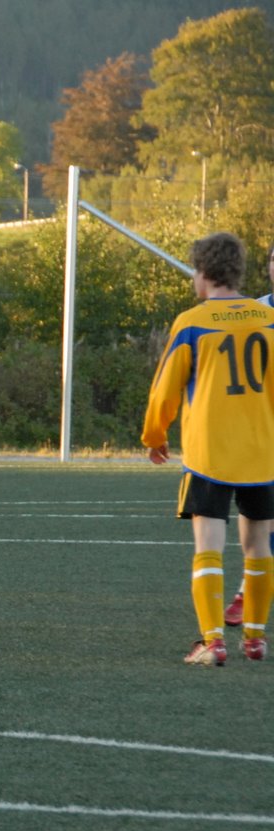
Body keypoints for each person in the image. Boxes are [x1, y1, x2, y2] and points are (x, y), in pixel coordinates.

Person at [142, 232, 274, 666]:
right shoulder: (268, 319)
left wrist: (154, 436)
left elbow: (165, 390)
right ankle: (255, 638)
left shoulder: (192, 323)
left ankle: (212, 641)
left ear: (203, 273)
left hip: (209, 456)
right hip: (262, 454)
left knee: (208, 547)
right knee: (259, 547)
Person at [227, 240, 274, 628]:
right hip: (261, 432)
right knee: (264, 521)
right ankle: (248, 594)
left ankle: (247, 593)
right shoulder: (255, 311)